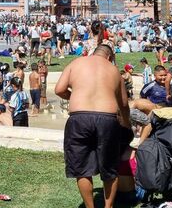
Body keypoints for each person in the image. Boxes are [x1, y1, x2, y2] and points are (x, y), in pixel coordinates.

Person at [55, 45, 130, 208]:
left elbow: (59, 89)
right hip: (107, 119)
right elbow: (124, 104)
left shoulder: (76, 63)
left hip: (79, 118)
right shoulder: (113, 70)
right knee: (110, 168)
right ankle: (108, 207)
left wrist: (73, 95)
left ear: (92, 53)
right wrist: (126, 123)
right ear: (110, 57)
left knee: (81, 169)